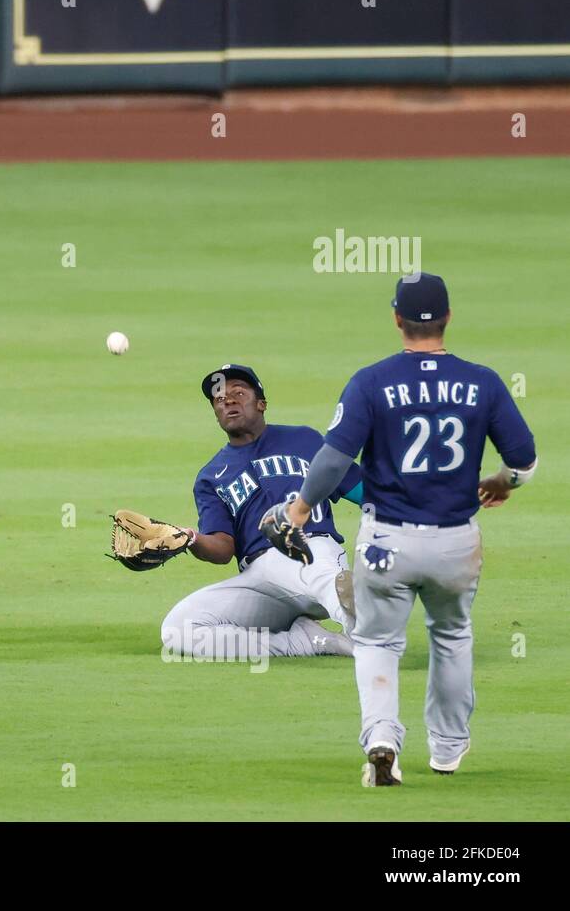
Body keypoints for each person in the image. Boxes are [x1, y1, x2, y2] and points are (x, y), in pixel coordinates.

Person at [267, 273, 537, 785]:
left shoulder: (371, 381)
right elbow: (523, 463)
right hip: (456, 542)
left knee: (377, 643)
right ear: (449, 317)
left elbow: (332, 460)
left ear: (397, 319)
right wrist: (501, 482)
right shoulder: (483, 382)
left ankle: (383, 739)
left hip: (386, 542)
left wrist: (300, 509)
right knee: (452, 637)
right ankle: (448, 751)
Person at [157, 364, 363, 660]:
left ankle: (367, 634)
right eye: (218, 399)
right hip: (262, 582)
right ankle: (311, 642)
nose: (227, 400)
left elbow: (361, 490)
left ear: (261, 403)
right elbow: (222, 548)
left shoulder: (305, 440)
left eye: (238, 393)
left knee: (322, 573)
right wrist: (189, 539)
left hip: (311, 547)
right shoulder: (211, 477)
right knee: (178, 630)